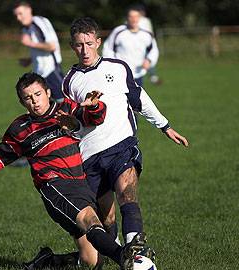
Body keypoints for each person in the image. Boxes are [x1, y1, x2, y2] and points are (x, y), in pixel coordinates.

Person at [0, 72, 146, 270]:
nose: (34, 101)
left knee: (93, 261)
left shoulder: (66, 108)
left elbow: (95, 118)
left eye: (38, 94)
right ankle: (123, 258)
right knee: (91, 222)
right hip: (55, 186)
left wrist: (95, 106)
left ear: (48, 92)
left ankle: (47, 261)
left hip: (81, 182)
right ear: (22, 102)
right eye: (28, 98)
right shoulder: (20, 128)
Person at [58, 17, 188, 264]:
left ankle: (136, 252)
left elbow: (140, 99)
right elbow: (73, 123)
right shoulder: (69, 82)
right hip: (90, 157)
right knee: (107, 219)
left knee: (127, 195)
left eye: (88, 43)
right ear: (72, 47)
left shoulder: (118, 67)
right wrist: (71, 122)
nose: (84, 50)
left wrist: (165, 126)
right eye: (78, 45)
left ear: (98, 42)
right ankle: (118, 254)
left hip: (121, 146)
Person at [13, 1, 64, 103]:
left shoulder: (39, 23)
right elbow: (40, 51)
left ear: (29, 10)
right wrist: (30, 60)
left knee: (64, 104)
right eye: (16, 15)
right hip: (39, 73)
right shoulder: (26, 29)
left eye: (20, 14)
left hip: (51, 71)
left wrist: (30, 43)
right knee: (43, 109)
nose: (18, 18)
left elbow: (52, 46)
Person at [102, 6, 159, 87]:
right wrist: (112, 65)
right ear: (127, 18)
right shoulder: (118, 32)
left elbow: (154, 50)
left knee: (136, 98)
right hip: (121, 73)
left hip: (138, 73)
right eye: (131, 16)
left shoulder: (146, 34)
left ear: (140, 18)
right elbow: (108, 48)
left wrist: (149, 60)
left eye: (136, 16)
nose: (133, 19)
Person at [136, 5, 162, 85]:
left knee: (149, 59)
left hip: (145, 44)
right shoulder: (133, 20)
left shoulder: (146, 20)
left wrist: (152, 41)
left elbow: (150, 31)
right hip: (137, 45)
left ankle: (152, 77)